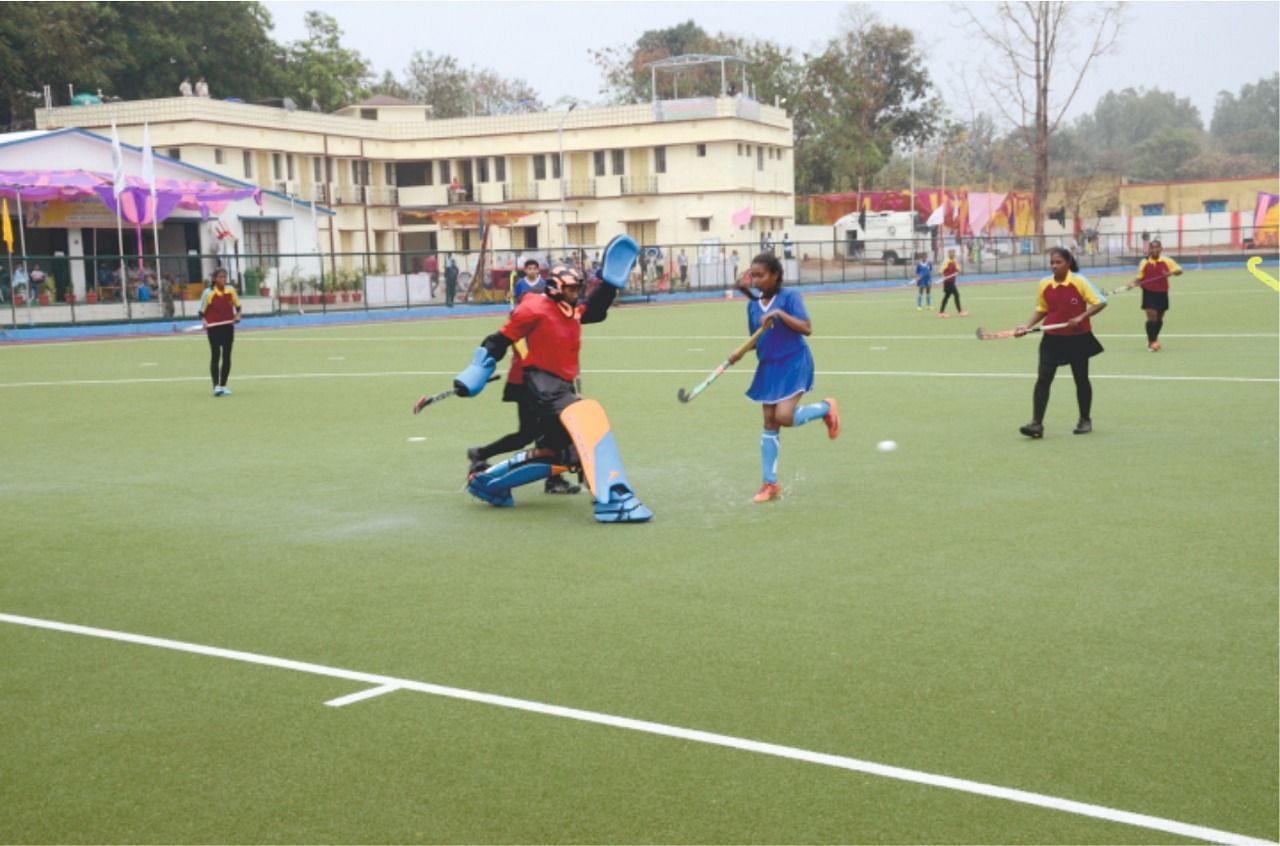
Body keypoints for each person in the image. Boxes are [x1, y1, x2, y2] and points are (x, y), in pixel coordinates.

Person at [451, 237, 651, 522]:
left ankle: (491, 484)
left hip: (560, 383)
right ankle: (610, 499)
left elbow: (592, 312)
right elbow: (500, 339)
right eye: (571, 289)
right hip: (541, 384)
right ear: (557, 287)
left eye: (577, 288)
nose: (575, 293)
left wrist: (609, 284)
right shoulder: (534, 309)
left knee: (556, 454)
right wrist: (475, 371)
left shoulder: (568, 310)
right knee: (585, 424)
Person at [730, 253, 840, 503]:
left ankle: (826, 408)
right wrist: (740, 351)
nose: (756, 280)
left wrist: (779, 314)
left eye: (761, 275)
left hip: (793, 361)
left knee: (783, 416)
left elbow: (807, 328)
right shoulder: (752, 305)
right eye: (753, 275)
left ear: (775, 275)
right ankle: (770, 484)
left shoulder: (789, 297)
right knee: (770, 422)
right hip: (769, 366)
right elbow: (755, 337)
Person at [467, 258, 580, 496]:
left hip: (542, 384)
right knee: (544, 434)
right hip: (529, 385)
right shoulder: (528, 322)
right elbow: (517, 351)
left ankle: (481, 454)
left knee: (530, 435)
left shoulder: (542, 317)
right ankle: (491, 467)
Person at [1014, 246, 1107, 438]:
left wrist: (1081, 317)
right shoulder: (1044, 284)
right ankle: (1036, 424)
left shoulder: (1079, 281)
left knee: (1081, 380)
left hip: (1077, 338)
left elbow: (1100, 302)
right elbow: (1042, 308)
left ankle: (1085, 419)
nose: (1054, 266)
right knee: (1043, 380)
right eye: (1052, 262)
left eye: (1059, 262)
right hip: (1052, 339)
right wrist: (1027, 326)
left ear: (1069, 263)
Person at [1133, 238, 1182, 352]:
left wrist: (1171, 272)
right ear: (1149, 249)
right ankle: (1151, 342)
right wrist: (1134, 283)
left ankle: (1153, 337)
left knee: (1159, 318)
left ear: (1161, 249)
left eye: (1157, 247)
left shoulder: (1166, 260)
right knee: (1152, 316)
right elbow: (1140, 277)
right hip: (1148, 291)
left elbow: (1179, 270)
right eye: (1152, 247)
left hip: (1162, 292)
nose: (1154, 249)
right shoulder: (1144, 262)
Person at [198, 269, 242, 397]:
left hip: (228, 327)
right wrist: (204, 321)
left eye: (225, 277)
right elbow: (201, 312)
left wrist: (238, 315)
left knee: (227, 356)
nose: (223, 279)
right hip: (213, 329)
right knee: (216, 355)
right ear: (214, 279)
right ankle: (216, 386)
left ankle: (223, 385)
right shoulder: (208, 293)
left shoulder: (230, 290)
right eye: (220, 277)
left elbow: (238, 307)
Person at [937, 249, 967, 317]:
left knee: (946, 297)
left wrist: (959, 271)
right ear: (948, 254)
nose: (953, 255)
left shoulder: (954, 261)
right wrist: (944, 276)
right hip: (948, 282)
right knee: (956, 294)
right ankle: (960, 311)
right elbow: (941, 271)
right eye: (952, 253)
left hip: (952, 282)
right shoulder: (946, 261)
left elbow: (959, 269)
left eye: (954, 253)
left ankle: (941, 312)